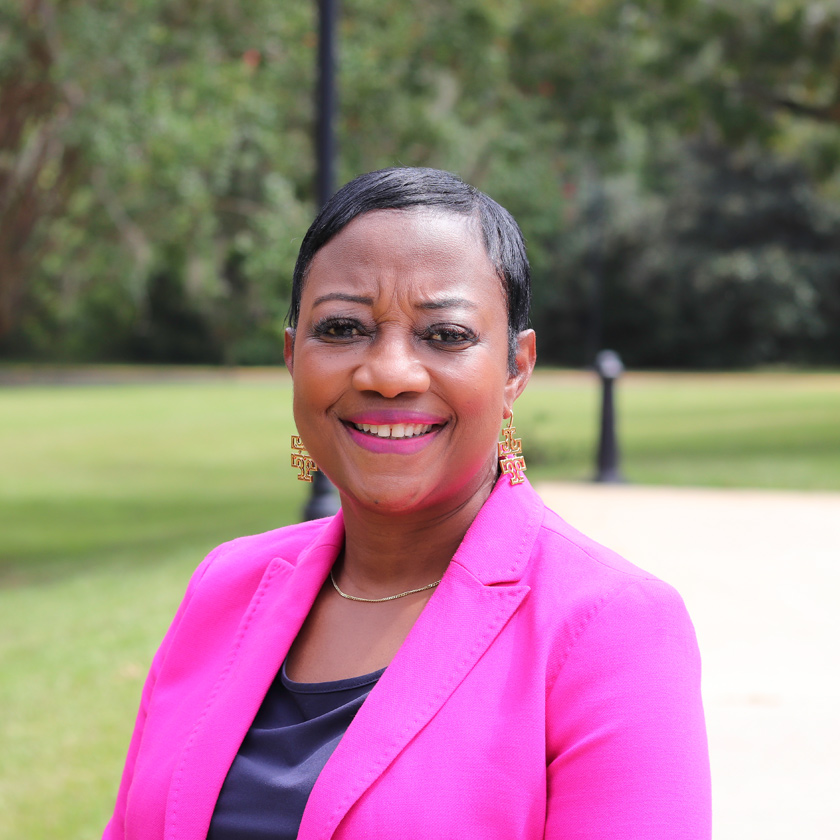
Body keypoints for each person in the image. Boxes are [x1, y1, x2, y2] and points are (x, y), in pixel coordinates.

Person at [104, 167, 711, 840]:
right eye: (341, 328)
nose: (389, 373)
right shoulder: (226, 587)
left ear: (517, 369)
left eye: (445, 335)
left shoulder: (610, 629)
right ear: (291, 356)